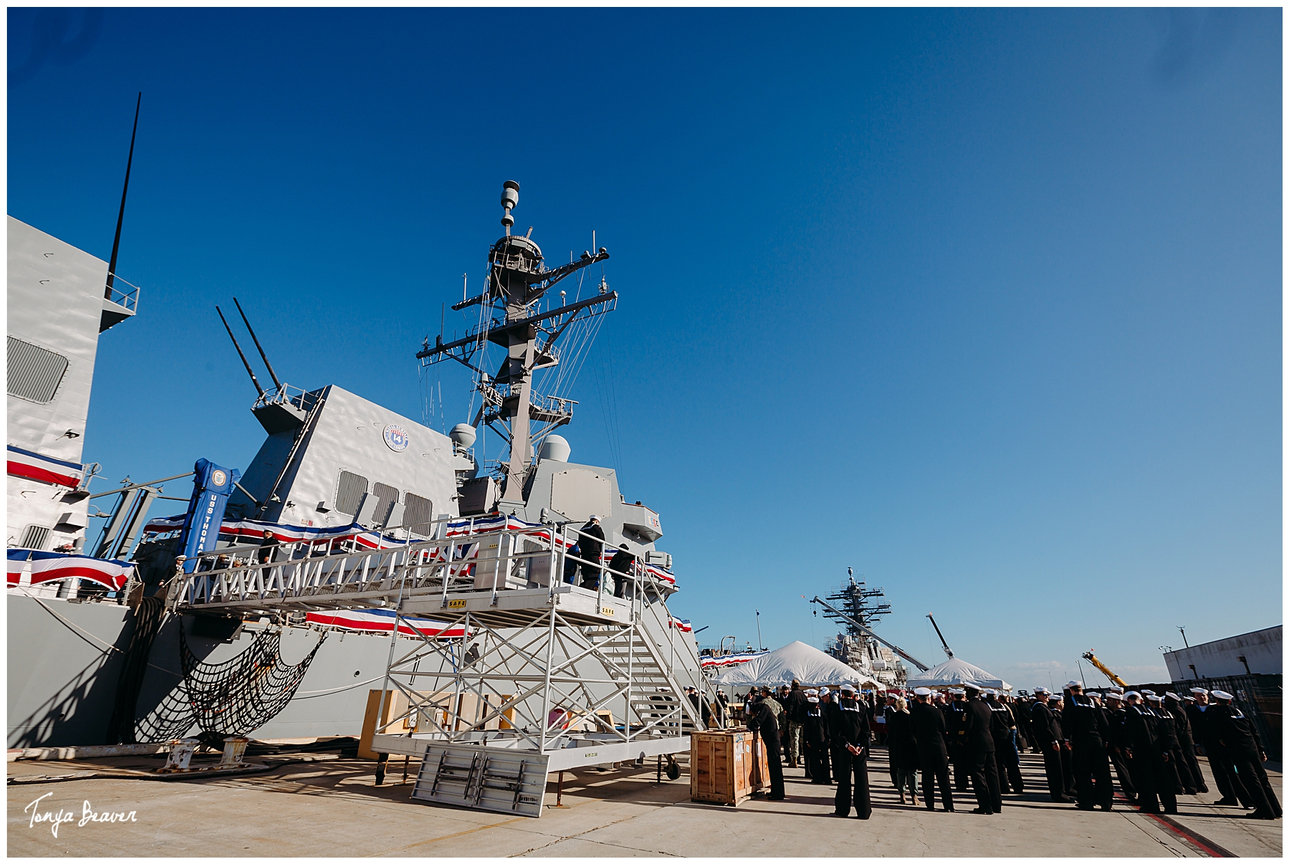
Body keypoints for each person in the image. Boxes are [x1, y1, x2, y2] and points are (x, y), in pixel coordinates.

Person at [1209, 690, 1281, 819]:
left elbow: (1216, 733)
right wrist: (1260, 749)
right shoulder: (1240, 712)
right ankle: (1275, 809)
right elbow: (1254, 731)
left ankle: (1264, 810)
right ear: (1230, 701)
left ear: (1217, 701)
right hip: (1252, 749)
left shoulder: (1218, 713)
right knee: (1263, 778)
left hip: (1238, 751)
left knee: (1251, 781)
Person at [1062, 680, 1113, 811]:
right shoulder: (1093, 702)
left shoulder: (1071, 702)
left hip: (1081, 741)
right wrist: (1106, 739)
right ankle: (1105, 801)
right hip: (1097, 740)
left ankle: (1087, 801)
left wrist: (1067, 739)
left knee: (1083, 772)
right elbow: (1104, 722)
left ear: (1071, 690)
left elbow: (1067, 722)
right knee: (1102, 773)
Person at [828, 683, 872, 818]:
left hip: (845, 749)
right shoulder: (862, 707)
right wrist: (859, 745)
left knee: (844, 779)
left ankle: (842, 809)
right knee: (862, 780)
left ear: (842, 694)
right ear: (853, 695)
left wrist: (847, 745)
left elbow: (835, 731)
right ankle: (864, 811)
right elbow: (866, 730)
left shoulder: (837, 709)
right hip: (859, 749)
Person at [1029, 688, 1071, 802]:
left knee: (1058, 768)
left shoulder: (1043, 707)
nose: (1047, 697)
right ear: (1038, 695)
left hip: (1053, 741)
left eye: (1047, 695)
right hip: (1050, 743)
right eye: (1044, 695)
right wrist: (1053, 740)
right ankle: (1058, 794)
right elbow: (1045, 727)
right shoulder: (1039, 708)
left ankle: (1061, 792)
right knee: (1055, 769)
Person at [746, 694, 786, 801]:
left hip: (773, 742)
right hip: (771, 741)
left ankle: (778, 794)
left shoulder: (764, 708)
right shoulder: (765, 708)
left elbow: (758, 720)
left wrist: (749, 727)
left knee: (775, 768)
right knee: (773, 768)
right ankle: (776, 791)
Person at [886, 694, 920, 806]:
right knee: (913, 772)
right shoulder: (910, 717)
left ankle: (902, 795)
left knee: (900, 772)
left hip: (898, 748)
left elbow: (890, 733)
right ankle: (914, 796)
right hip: (910, 747)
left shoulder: (894, 717)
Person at [782, 679, 809, 770]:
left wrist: (788, 718)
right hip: (803, 721)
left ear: (792, 685)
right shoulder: (802, 694)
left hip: (794, 720)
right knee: (802, 741)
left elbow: (790, 707)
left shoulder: (792, 694)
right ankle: (803, 759)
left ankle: (794, 760)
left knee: (794, 740)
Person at [578, 515, 605, 589]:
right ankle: (586, 586)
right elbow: (602, 538)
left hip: (584, 552)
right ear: (596, 521)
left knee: (586, 570)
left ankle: (586, 585)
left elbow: (580, 541)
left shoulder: (582, 529)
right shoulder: (595, 527)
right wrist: (601, 550)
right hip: (593, 552)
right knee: (595, 570)